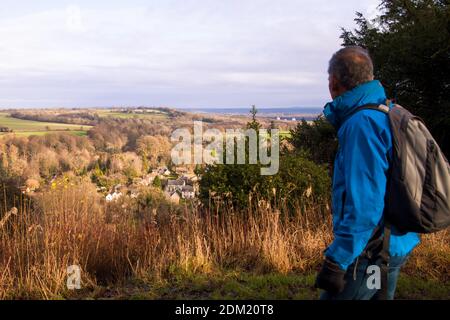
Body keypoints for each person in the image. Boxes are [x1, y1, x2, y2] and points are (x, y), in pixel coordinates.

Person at [315, 46, 420, 300]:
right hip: (396, 242)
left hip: (368, 253)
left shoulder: (361, 125)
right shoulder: (390, 110)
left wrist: (337, 260)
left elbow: (364, 205)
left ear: (334, 82)